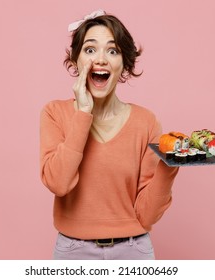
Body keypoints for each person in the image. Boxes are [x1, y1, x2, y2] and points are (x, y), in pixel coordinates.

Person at [40, 9, 179, 260]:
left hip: (133, 251)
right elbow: (58, 183)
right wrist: (83, 114)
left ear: (124, 63)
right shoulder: (55, 113)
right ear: (75, 61)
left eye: (112, 51)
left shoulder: (146, 122)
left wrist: (171, 164)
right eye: (90, 50)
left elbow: (147, 215)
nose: (101, 59)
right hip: (73, 253)